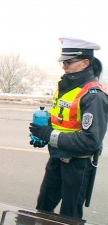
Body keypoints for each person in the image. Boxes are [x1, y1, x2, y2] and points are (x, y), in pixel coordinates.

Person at [29, 37, 108, 219]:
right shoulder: (66, 87)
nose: (63, 66)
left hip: (78, 164)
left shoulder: (93, 95)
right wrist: (44, 134)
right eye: (62, 62)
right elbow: (62, 121)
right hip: (57, 158)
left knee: (69, 216)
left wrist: (50, 135)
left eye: (68, 62)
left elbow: (90, 141)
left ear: (85, 63)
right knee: (43, 208)